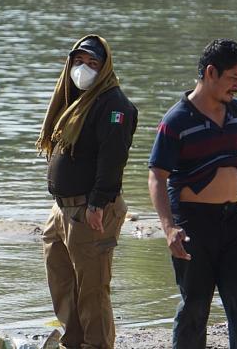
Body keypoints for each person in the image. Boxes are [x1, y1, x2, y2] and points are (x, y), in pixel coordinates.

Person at [147, 38, 237, 349]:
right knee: (195, 306)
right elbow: (157, 176)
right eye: (233, 77)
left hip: (233, 222)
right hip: (193, 224)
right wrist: (169, 228)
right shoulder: (176, 120)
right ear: (211, 72)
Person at [37, 35, 138, 349]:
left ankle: (97, 345)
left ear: (104, 68)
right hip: (62, 208)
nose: (83, 69)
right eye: (79, 61)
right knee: (62, 282)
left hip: (91, 209)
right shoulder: (74, 100)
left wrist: (98, 203)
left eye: (93, 63)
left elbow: (113, 158)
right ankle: (74, 342)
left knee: (92, 288)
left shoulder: (113, 105)